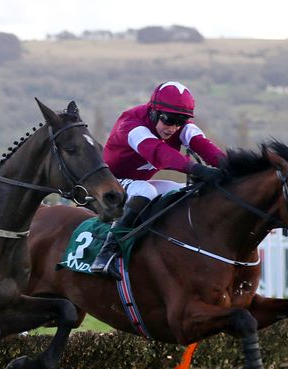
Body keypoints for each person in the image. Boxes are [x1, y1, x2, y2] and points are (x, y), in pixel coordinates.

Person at [90, 81, 226, 279]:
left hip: (137, 184)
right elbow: (159, 153)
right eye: (169, 120)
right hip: (109, 185)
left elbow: (204, 146)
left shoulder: (179, 126)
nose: (173, 128)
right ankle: (107, 253)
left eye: (180, 121)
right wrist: (197, 169)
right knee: (146, 191)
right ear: (153, 111)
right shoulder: (130, 124)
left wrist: (232, 167)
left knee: (182, 190)